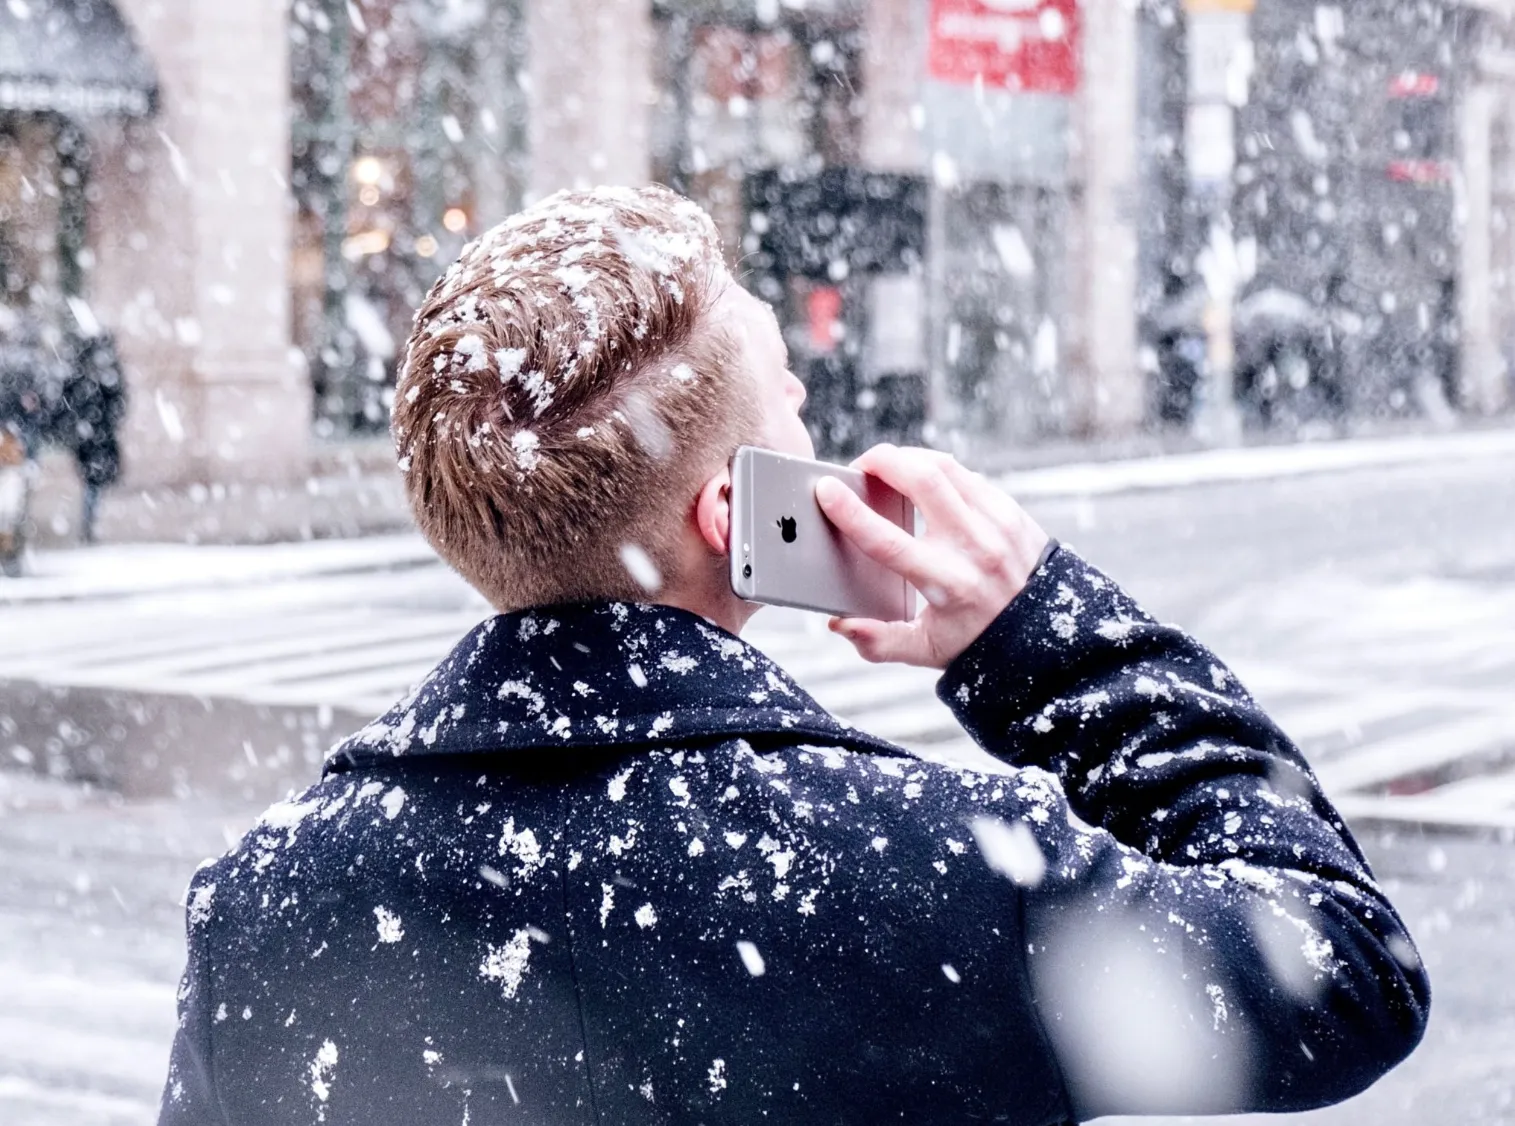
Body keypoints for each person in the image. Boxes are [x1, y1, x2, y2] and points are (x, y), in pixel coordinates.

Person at [158, 187, 1428, 1126]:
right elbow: (1347, 968)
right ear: (737, 513)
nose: (815, 418)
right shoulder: (937, 871)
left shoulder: (265, 904)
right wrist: (1043, 637)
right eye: (792, 396)